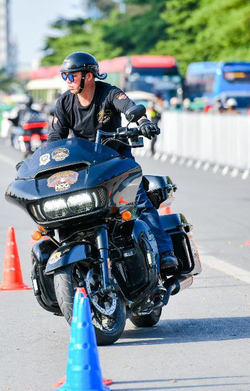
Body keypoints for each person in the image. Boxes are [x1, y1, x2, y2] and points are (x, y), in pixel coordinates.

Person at [47, 52, 178, 272]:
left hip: (116, 161)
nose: (68, 81)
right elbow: (54, 138)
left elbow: (131, 109)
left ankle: (165, 252)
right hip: (82, 165)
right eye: (65, 77)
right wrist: (44, 159)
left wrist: (144, 122)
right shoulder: (64, 102)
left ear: (88, 76)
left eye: (72, 76)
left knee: (139, 201)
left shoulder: (109, 93)